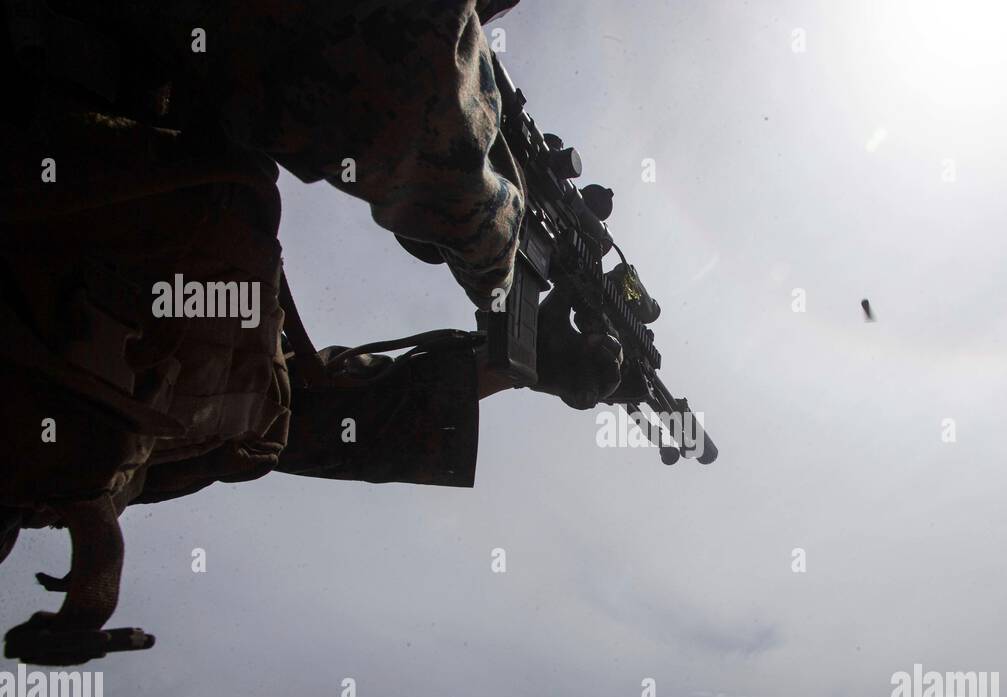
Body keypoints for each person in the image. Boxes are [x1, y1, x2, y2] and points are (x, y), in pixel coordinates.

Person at [0, 0, 621, 660]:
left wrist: (508, 365)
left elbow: (288, 416)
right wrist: (500, 259)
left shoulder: (96, 427)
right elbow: (408, 83)